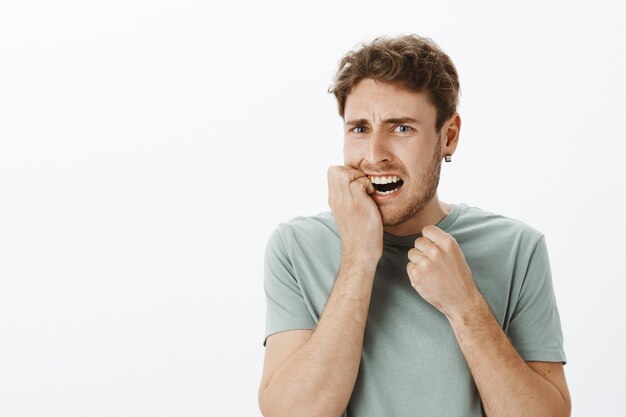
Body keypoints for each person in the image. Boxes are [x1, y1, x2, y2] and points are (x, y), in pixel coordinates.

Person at [257, 34, 571, 417]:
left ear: (448, 137)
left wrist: (465, 306)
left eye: (401, 128)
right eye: (359, 129)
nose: (374, 155)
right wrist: (359, 257)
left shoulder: (518, 248)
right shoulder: (295, 247)